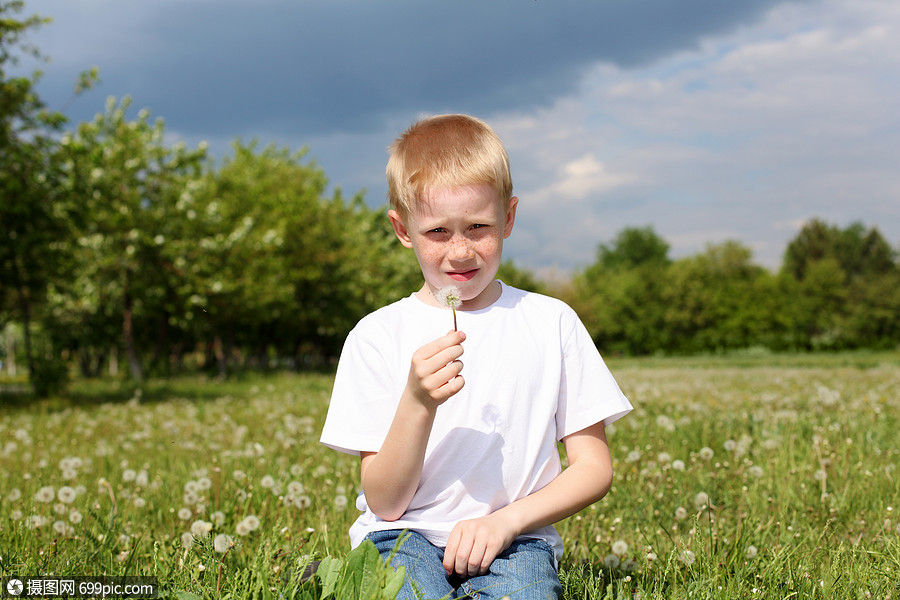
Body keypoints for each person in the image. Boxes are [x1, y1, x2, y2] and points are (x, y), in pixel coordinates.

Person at [320, 114, 632, 599]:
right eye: (438, 231)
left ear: (508, 218)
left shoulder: (551, 322)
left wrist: (507, 522)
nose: (460, 251)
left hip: (514, 539)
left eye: (479, 226)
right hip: (402, 537)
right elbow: (384, 501)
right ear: (403, 229)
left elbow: (594, 468)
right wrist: (418, 402)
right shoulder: (376, 336)